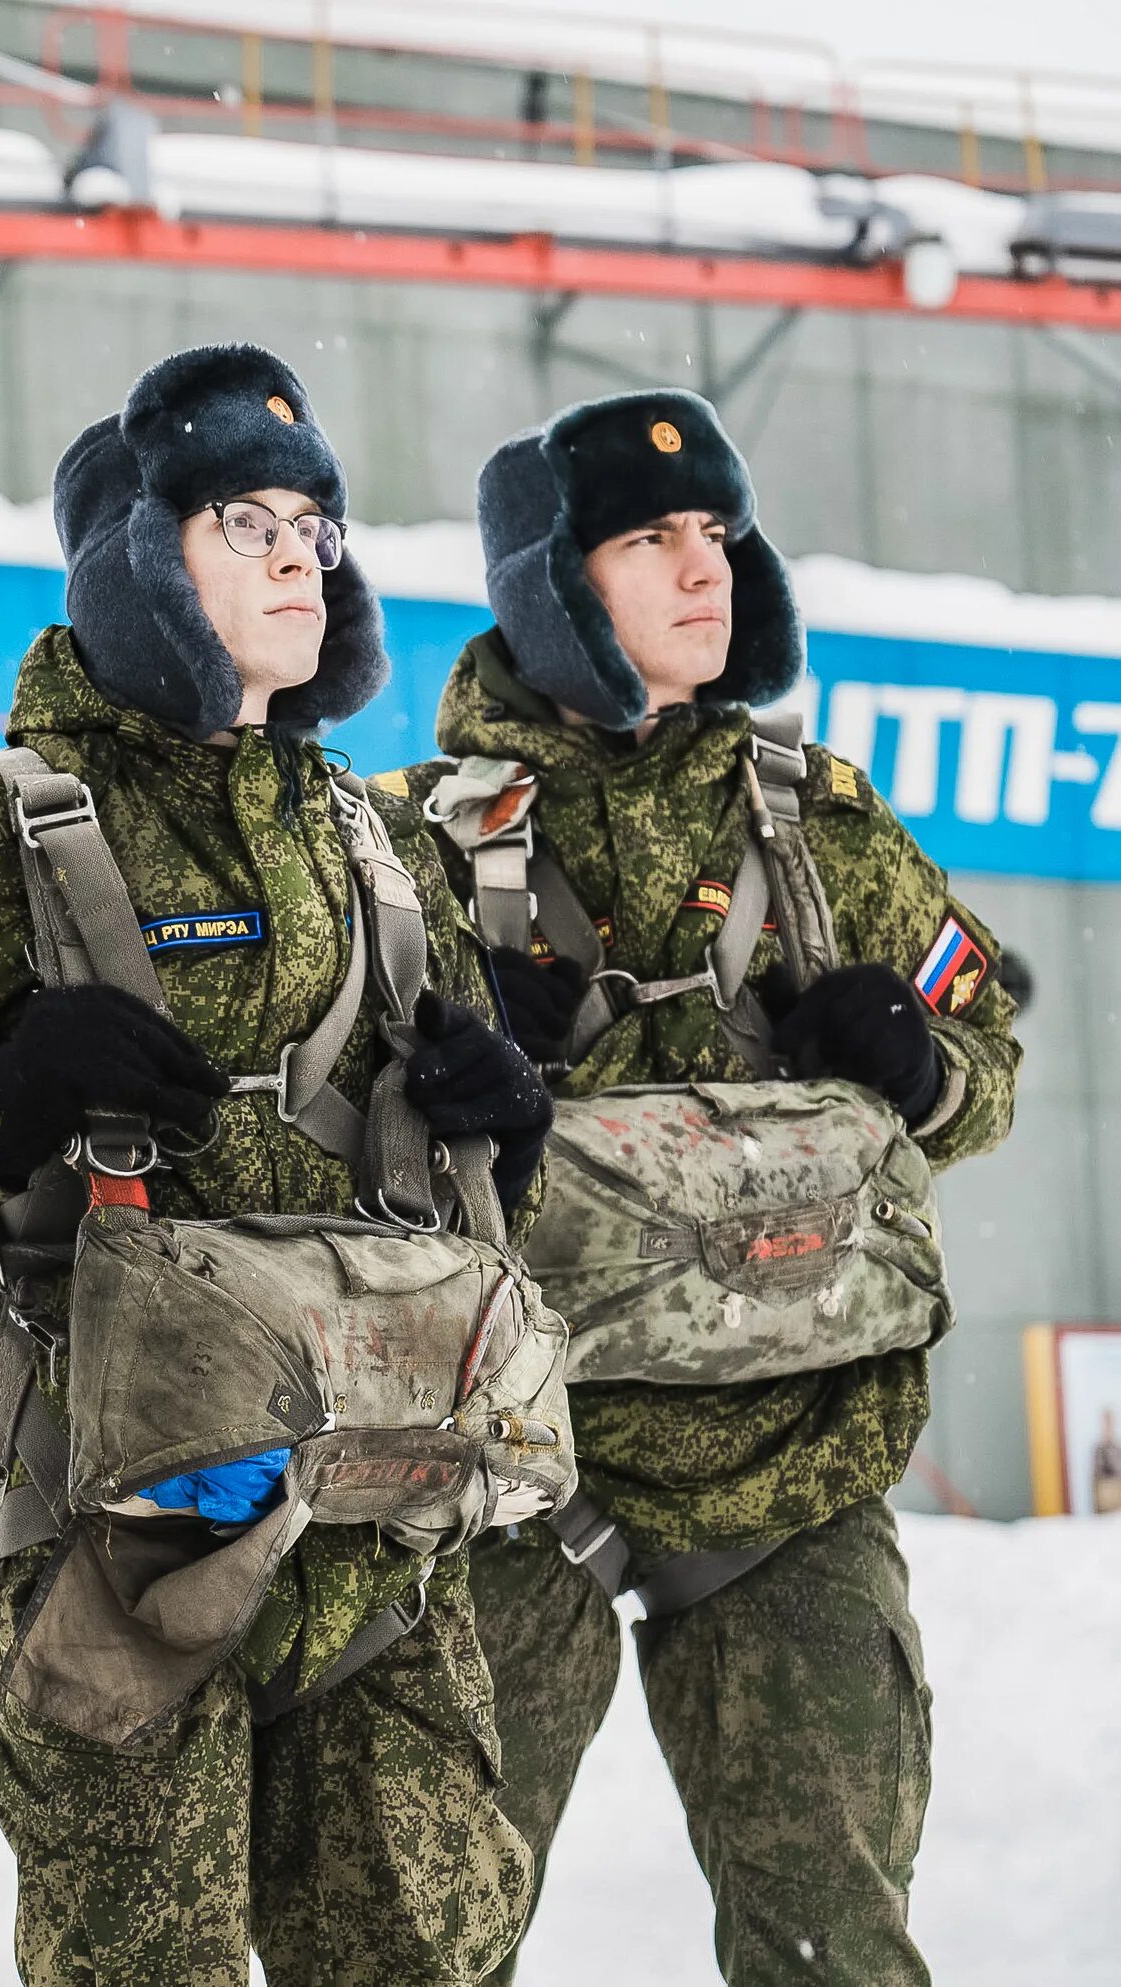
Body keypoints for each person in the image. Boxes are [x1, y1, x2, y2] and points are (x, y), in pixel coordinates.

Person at [0, 344, 555, 1985]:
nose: (301, 554)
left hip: (377, 1521)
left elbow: (476, 1203)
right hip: (122, 1545)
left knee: (428, 1956)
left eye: (314, 523)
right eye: (247, 520)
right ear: (138, 560)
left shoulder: (379, 841)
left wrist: (502, 1124)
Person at [391, 388, 1021, 1987]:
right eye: (646, 537)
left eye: (718, 532)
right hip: (505, 1484)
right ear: (553, 580)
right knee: (411, 1950)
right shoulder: (405, 845)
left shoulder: (820, 825)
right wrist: (421, 1091)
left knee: (837, 1950)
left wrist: (918, 1062)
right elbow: (314, 1165)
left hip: (792, 1475)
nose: (701, 567)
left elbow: (981, 1070)